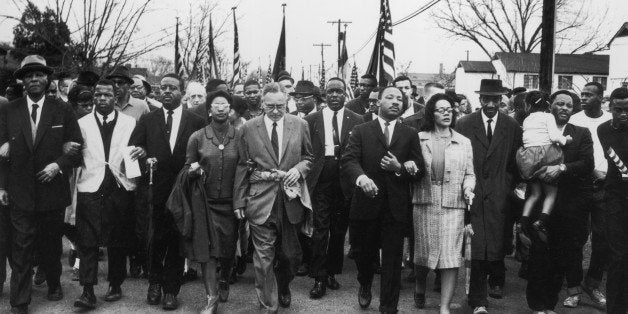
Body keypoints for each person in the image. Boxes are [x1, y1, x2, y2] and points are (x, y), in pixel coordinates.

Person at [0, 55, 83, 314]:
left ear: (47, 79)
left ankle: (54, 282)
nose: (34, 79)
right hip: (19, 190)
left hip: (51, 191)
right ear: (22, 81)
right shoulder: (10, 109)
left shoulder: (62, 109)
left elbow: (77, 150)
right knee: (21, 246)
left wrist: (57, 164)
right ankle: (20, 301)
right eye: (28, 75)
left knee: (50, 243)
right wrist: (2, 186)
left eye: (39, 75)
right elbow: (2, 154)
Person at [341, 86, 424, 313]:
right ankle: (365, 283)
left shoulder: (409, 134)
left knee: (392, 262)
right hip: (366, 205)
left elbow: (419, 170)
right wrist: (361, 178)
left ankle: (389, 307)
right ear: (378, 102)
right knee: (364, 255)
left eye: (400, 98)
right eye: (390, 97)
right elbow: (349, 161)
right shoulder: (361, 130)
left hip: (395, 208)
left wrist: (401, 168)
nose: (395, 102)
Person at [233, 82, 313, 312]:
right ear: (262, 104)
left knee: (290, 256)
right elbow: (242, 166)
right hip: (261, 199)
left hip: (290, 199)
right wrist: (239, 200)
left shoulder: (300, 125)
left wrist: (298, 170)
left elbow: (309, 157)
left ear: (287, 102)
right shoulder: (248, 128)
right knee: (263, 258)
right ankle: (268, 304)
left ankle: (283, 285)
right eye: (270, 106)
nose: (276, 111)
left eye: (280, 105)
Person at [128, 73, 205, 310]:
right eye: (163, 88)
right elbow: (134, 148)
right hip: (156, 189)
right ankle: (154, 283)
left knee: (177, 239)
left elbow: (204, 154)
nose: (167, 92)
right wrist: (142, 156)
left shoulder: (195, 121)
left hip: (184, 190)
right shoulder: (149, 120)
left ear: (182, 92)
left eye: (172, 88)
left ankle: (171, 289)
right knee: (156, 238)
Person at [523, 90, 593, 313]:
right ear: (550, 106)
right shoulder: (535, 127)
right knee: (538, 257)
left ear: (574, 110)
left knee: (560, 259)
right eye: (559, 103)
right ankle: (536, 305)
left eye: (569, 105)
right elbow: (522, 156)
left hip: (568, 207)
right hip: (540, 206)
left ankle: (550, 304)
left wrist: (561, 168)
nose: (564, 108)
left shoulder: (581, 133)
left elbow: (586, 163)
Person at [455, 79, 522, 314]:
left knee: (496, 245)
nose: (491, 104)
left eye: (496, 99)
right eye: (487, 99)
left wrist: (506, 185)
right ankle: (478, 300)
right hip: (472, 191)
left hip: (499, 195)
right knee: (476, 246)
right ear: (480, 99)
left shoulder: (511, 126)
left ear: (502, 99)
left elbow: (516, 162)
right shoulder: (464, 124)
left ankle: (493, 284)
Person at [72, 79, 137, 309]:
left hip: (119, 185)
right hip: (90, 186)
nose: (101, 99)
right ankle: (87, 291)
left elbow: (135, 150)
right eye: (97, 95)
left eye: (107, 95)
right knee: (87, 239)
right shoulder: (81, 123)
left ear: (115, 97)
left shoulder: (129, 122)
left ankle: (115, 283)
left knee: (117, 238)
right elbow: (75, 153)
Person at [411, 93, 475, 313]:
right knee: (422, 252)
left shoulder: (463, 142)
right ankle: (420, 286)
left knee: (450, 256)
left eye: (450, 109)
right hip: (424, 202)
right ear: (431, 113)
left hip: (453, 205)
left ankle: (444, 306)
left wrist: (468, 187)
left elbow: (470, 173)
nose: (447, 112)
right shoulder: (418, 139)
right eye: (441, 109)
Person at [180, 90, 240, 313]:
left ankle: (224, 278)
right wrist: (194, 171)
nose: (221, 108)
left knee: (227, 248)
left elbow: (245, 167)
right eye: (216, 105)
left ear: (230, 110)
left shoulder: (240, 135)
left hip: (231, 203)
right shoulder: (197, 137)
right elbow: (187, 168)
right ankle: (211, 298)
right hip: (205, 203)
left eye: (225, 105)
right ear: (209, 110)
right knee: (208, 252)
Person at [303, 78, 363, 299]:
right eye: (330, 91)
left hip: (346, 177)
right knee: (320, 228)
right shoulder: (312, 120)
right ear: (324, 95)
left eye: (339, 91)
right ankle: (318, 276)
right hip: (322, 176)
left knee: (339, 230)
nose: (335, 95)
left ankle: (331, 272)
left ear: (345, 94)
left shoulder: (357, 119)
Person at [567, 81, 610, 308]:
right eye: (581, 94)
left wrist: (607, 174)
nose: (582, 98)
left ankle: (592, 284)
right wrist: (591, 170)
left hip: (606, 187)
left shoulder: (611, 119)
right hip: (580, 185)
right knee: (576, 237)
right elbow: (570, 154)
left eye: (588, 94)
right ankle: (573, 287)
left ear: (600, 98)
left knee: (602, 238)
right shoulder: (574, 120)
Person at [516, 91, 571, 242]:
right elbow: (554, 136)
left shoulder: (527, 119)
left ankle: (523, 221)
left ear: (528, 105)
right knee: (551, 194)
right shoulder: (548, 117)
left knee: (535, 194)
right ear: (547, 104)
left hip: (528, 158)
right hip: (546, 155)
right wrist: (566, 140)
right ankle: (541, 221)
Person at [598, 87, 628, 313]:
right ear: (610, 108)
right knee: (617, 256)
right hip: (615, 199)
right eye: (618, 109)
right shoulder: (602, 130)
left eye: (627, 109)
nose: (623, 114)